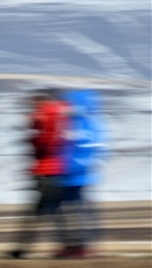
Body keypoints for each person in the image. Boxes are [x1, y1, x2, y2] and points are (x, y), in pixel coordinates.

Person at [7, 90, 68, 259]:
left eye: (34, 106)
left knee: (37, 214)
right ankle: (70, 246)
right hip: (51, 171)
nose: (32, 111)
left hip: (46, 172)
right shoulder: (56, 117)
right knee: (53, 213)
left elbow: (46, 143)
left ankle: (21, 250)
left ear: (41, 104)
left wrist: (32, 136)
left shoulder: (46, 118)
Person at [56, 89, 107, 258]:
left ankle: (83, 245)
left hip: (80, 175)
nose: (68, 107)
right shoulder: (67, 123)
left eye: (71, 104)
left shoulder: (90, 125)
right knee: (64, 210)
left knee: (81, 211)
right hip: (66, 175)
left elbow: (94, 149)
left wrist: (79, 164)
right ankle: (71, 245)